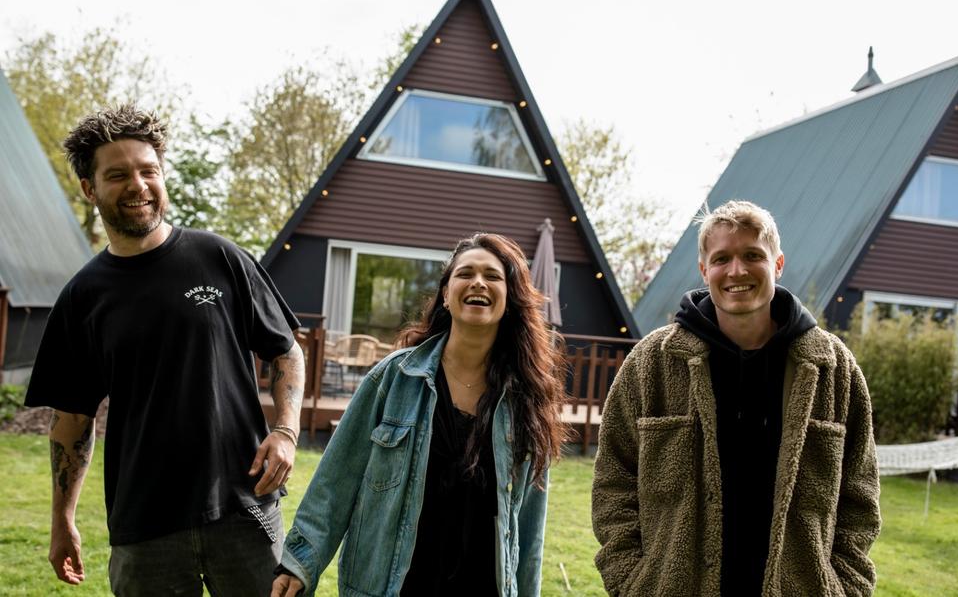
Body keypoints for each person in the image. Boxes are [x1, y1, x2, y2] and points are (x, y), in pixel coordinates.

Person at [24, 104, 305, 596]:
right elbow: (71, 421)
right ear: (90, 189)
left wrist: (284, 432)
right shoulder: (82, 298)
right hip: (144, 527)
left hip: (245, 508)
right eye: (117, 175)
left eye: (148, 170)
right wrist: (61, 519)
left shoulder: (221, 259)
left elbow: (285, 352)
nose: (137, 185)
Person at [592, 200, 881, 596]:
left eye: (752, 256)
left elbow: (859, 494)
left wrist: (843, 585)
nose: (737, 271)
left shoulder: (833, 369)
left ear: (777, 265)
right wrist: (633, 580)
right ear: (703, 270)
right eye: (722, 258)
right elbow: (613, 480)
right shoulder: (652, 364)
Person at [271, 233, 568, 597]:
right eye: (465, 273)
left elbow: (528, 526)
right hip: (393, 586)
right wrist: (302, 562)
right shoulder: (393, 379)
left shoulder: (528, 399)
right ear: (446, 293)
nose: (478, 282)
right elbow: (336, 481)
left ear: (510, 298)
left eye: (493, 276)